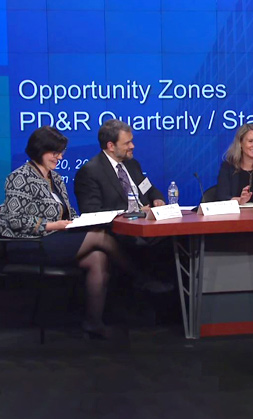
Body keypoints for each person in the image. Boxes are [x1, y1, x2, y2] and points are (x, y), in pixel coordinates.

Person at [0, 127, 168, 339]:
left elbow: (68, 214)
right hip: (31, 243)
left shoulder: (57, 179)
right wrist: (54, 226)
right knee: (101, 237)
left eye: (61, 152)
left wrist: (74, 223)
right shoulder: (19, 178)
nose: (60, 157)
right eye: (55, 152)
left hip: (57, 240)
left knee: (97, 258)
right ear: (39, 150)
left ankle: (93, 323)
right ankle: (141, 278)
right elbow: (14, 220)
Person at [74, 119, 165, 213]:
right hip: (117, 226)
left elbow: (148, 188)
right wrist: (135, 213)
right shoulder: (90, 172)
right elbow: (92, 212)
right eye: (127, 143)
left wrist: (157, 199)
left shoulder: (133, 164)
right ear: (111, 146)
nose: (132, 146)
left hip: (146, 223)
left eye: (131, 141)